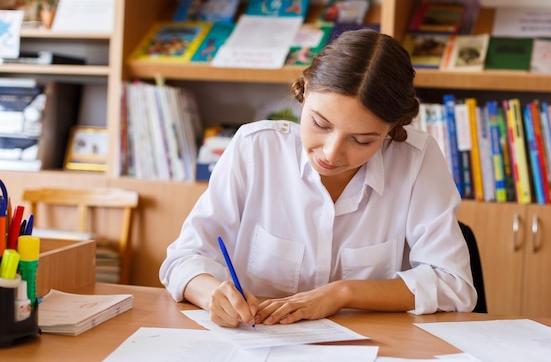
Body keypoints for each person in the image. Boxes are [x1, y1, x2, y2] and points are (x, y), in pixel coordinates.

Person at [159, 29, 477, 328]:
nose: (331, 152)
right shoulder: (255, 149)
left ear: (391, 129)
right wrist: (209, 292)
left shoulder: (416, 160)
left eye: (363, 140)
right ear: (306, 90)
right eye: (320, 124)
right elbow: (184, 259)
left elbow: (454, 284)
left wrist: (342, 294)